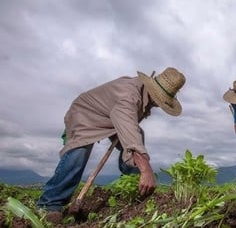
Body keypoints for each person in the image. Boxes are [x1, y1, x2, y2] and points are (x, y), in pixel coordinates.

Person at [37, 67, 186, 223]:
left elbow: (130, 128)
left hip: (110, 117)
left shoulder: (143, 95)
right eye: (161, 100)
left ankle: (133, 190)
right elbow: (129, 131)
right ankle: (50, 204)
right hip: (85, 115)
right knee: (79, 152)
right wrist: (146, 169)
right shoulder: (129, 96)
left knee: (138, 136)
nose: (160, 105)